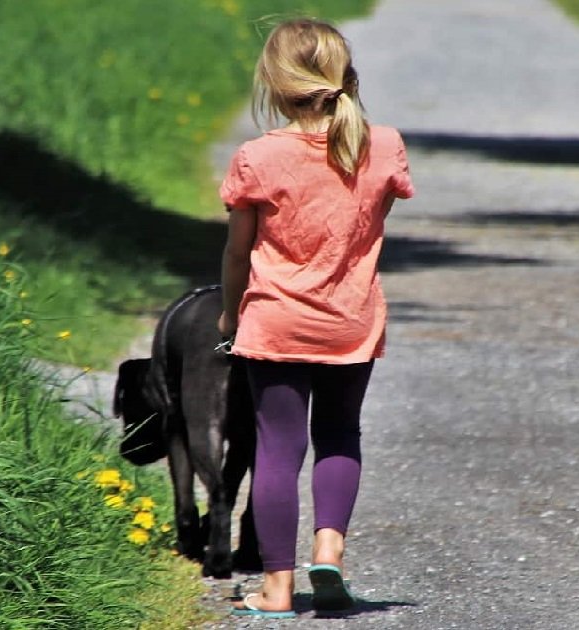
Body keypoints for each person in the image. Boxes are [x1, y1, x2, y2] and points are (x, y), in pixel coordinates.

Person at [217, 17, 414, 618]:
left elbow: (238, 251)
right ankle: (329, 550)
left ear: (274, 84)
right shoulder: (382, 145)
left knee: (278, 448)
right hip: (350, 320)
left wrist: (230, 316)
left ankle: (277, 589)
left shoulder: (258, 157)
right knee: (340, 434)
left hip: (276, 321)